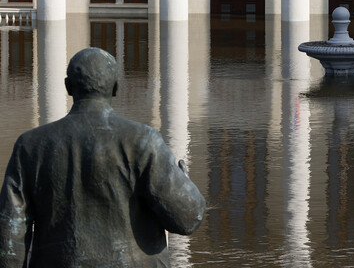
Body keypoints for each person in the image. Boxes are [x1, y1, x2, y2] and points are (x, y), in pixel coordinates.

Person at [0, 47, 205, 267]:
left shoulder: (29, 146)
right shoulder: (145, 141)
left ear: (68, 87)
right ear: (116, 88)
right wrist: (182, 181)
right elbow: (188, 219)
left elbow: (10, 236)